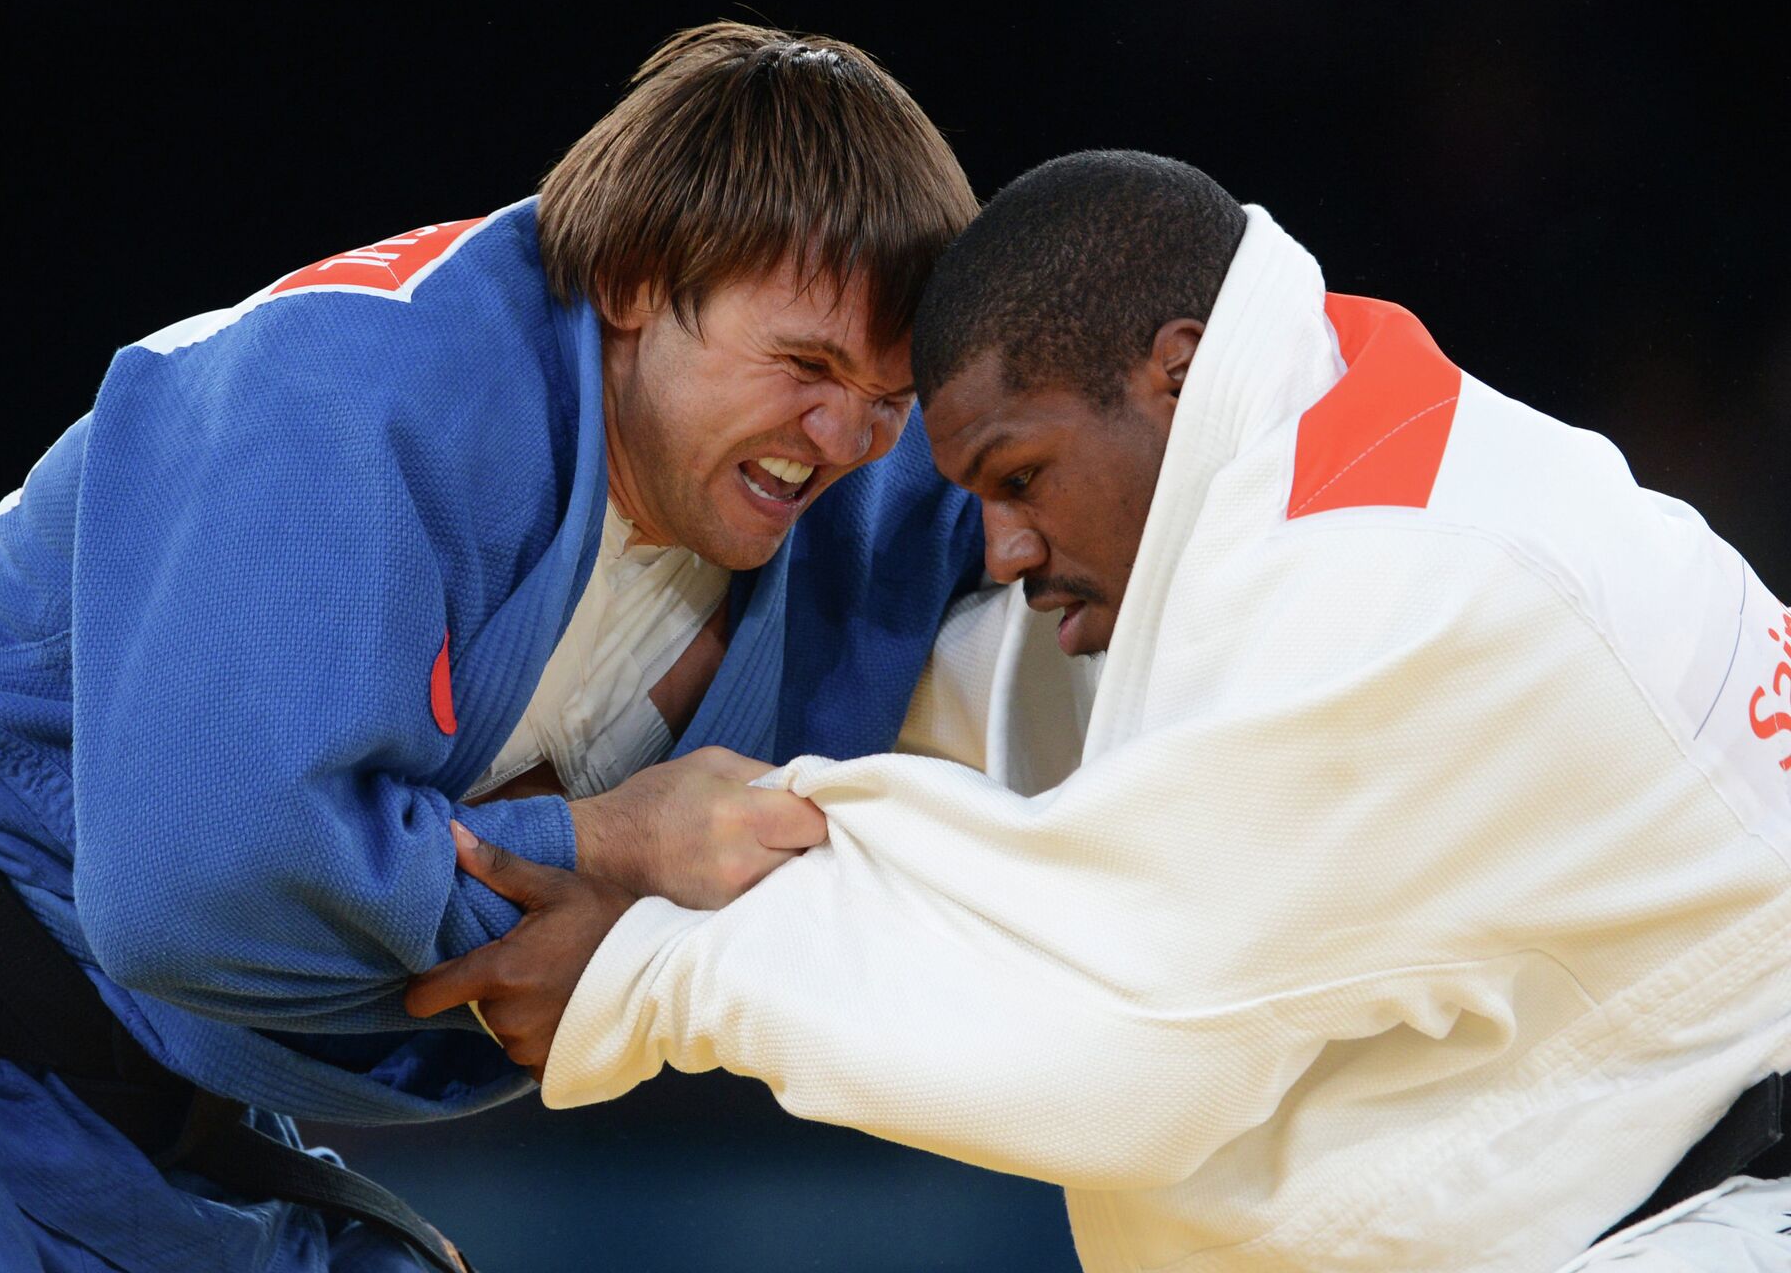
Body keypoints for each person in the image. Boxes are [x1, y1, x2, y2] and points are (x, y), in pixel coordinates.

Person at [413, 152, 1791, 1271]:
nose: (1004, 551)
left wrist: (649, 973)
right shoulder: (1300, 453)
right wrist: (611, 798)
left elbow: (1119, 1050)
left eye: (1021, 479)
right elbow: (970, 733)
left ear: (1175, 375)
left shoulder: (1404, 588)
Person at [0, 22, 983, 1272]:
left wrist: (627, 950)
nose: (841, 438)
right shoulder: (358, 402)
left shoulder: (857, 490)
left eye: (888, 397)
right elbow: (200, 895)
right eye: (805, 365)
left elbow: (1117, 450)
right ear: (633, 280)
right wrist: (608, 850)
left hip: (145, 1097)